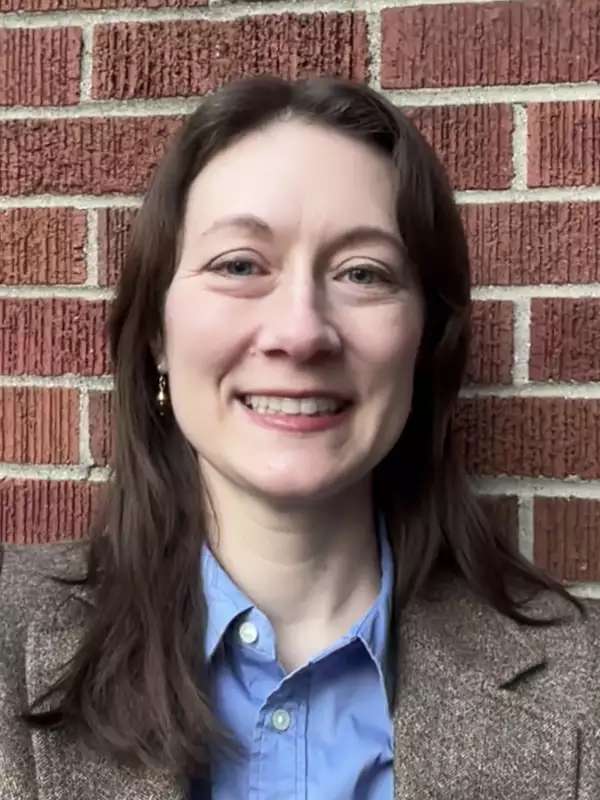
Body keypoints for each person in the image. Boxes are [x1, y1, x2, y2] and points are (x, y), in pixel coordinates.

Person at [0, 74, 598, 800]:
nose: (301, 332)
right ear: (157, 332)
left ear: (424, 340)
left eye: (363, 272)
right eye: (241, 265)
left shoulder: (581, 684)